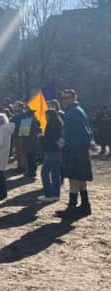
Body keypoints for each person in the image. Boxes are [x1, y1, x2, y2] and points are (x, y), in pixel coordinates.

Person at [56, 89, 96, 218]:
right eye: (63, 98)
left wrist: (90, 142)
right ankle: (85, 205)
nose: (65, 100)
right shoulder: (77, 110)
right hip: (78, 148)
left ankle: (72, 208)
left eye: (67, 98)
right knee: (81, 179)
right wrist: (90, 142)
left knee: (74, 178)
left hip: (75, 149)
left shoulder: (73, 112)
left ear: (74, 97)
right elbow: (87, 129)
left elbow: (85, 129)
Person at [39, 109, 63, 202]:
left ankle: (48, 194)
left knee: (44, 172)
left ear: (49, 115)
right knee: (55, 173)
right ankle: (56, 194)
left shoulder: (50, 124)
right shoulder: (59, 123)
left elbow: (49, 138)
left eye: (46, 115)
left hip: (50, 150)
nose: (45, 117)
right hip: (57, 150)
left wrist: (41, 137)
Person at [21, 109, 42, 179]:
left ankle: (30, 172)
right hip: (35, 141)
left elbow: (23, 133)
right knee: (33, 157)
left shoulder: (26, 121)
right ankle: (33, 171)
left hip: (27, 141)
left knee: (29, 157)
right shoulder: (37, 121)